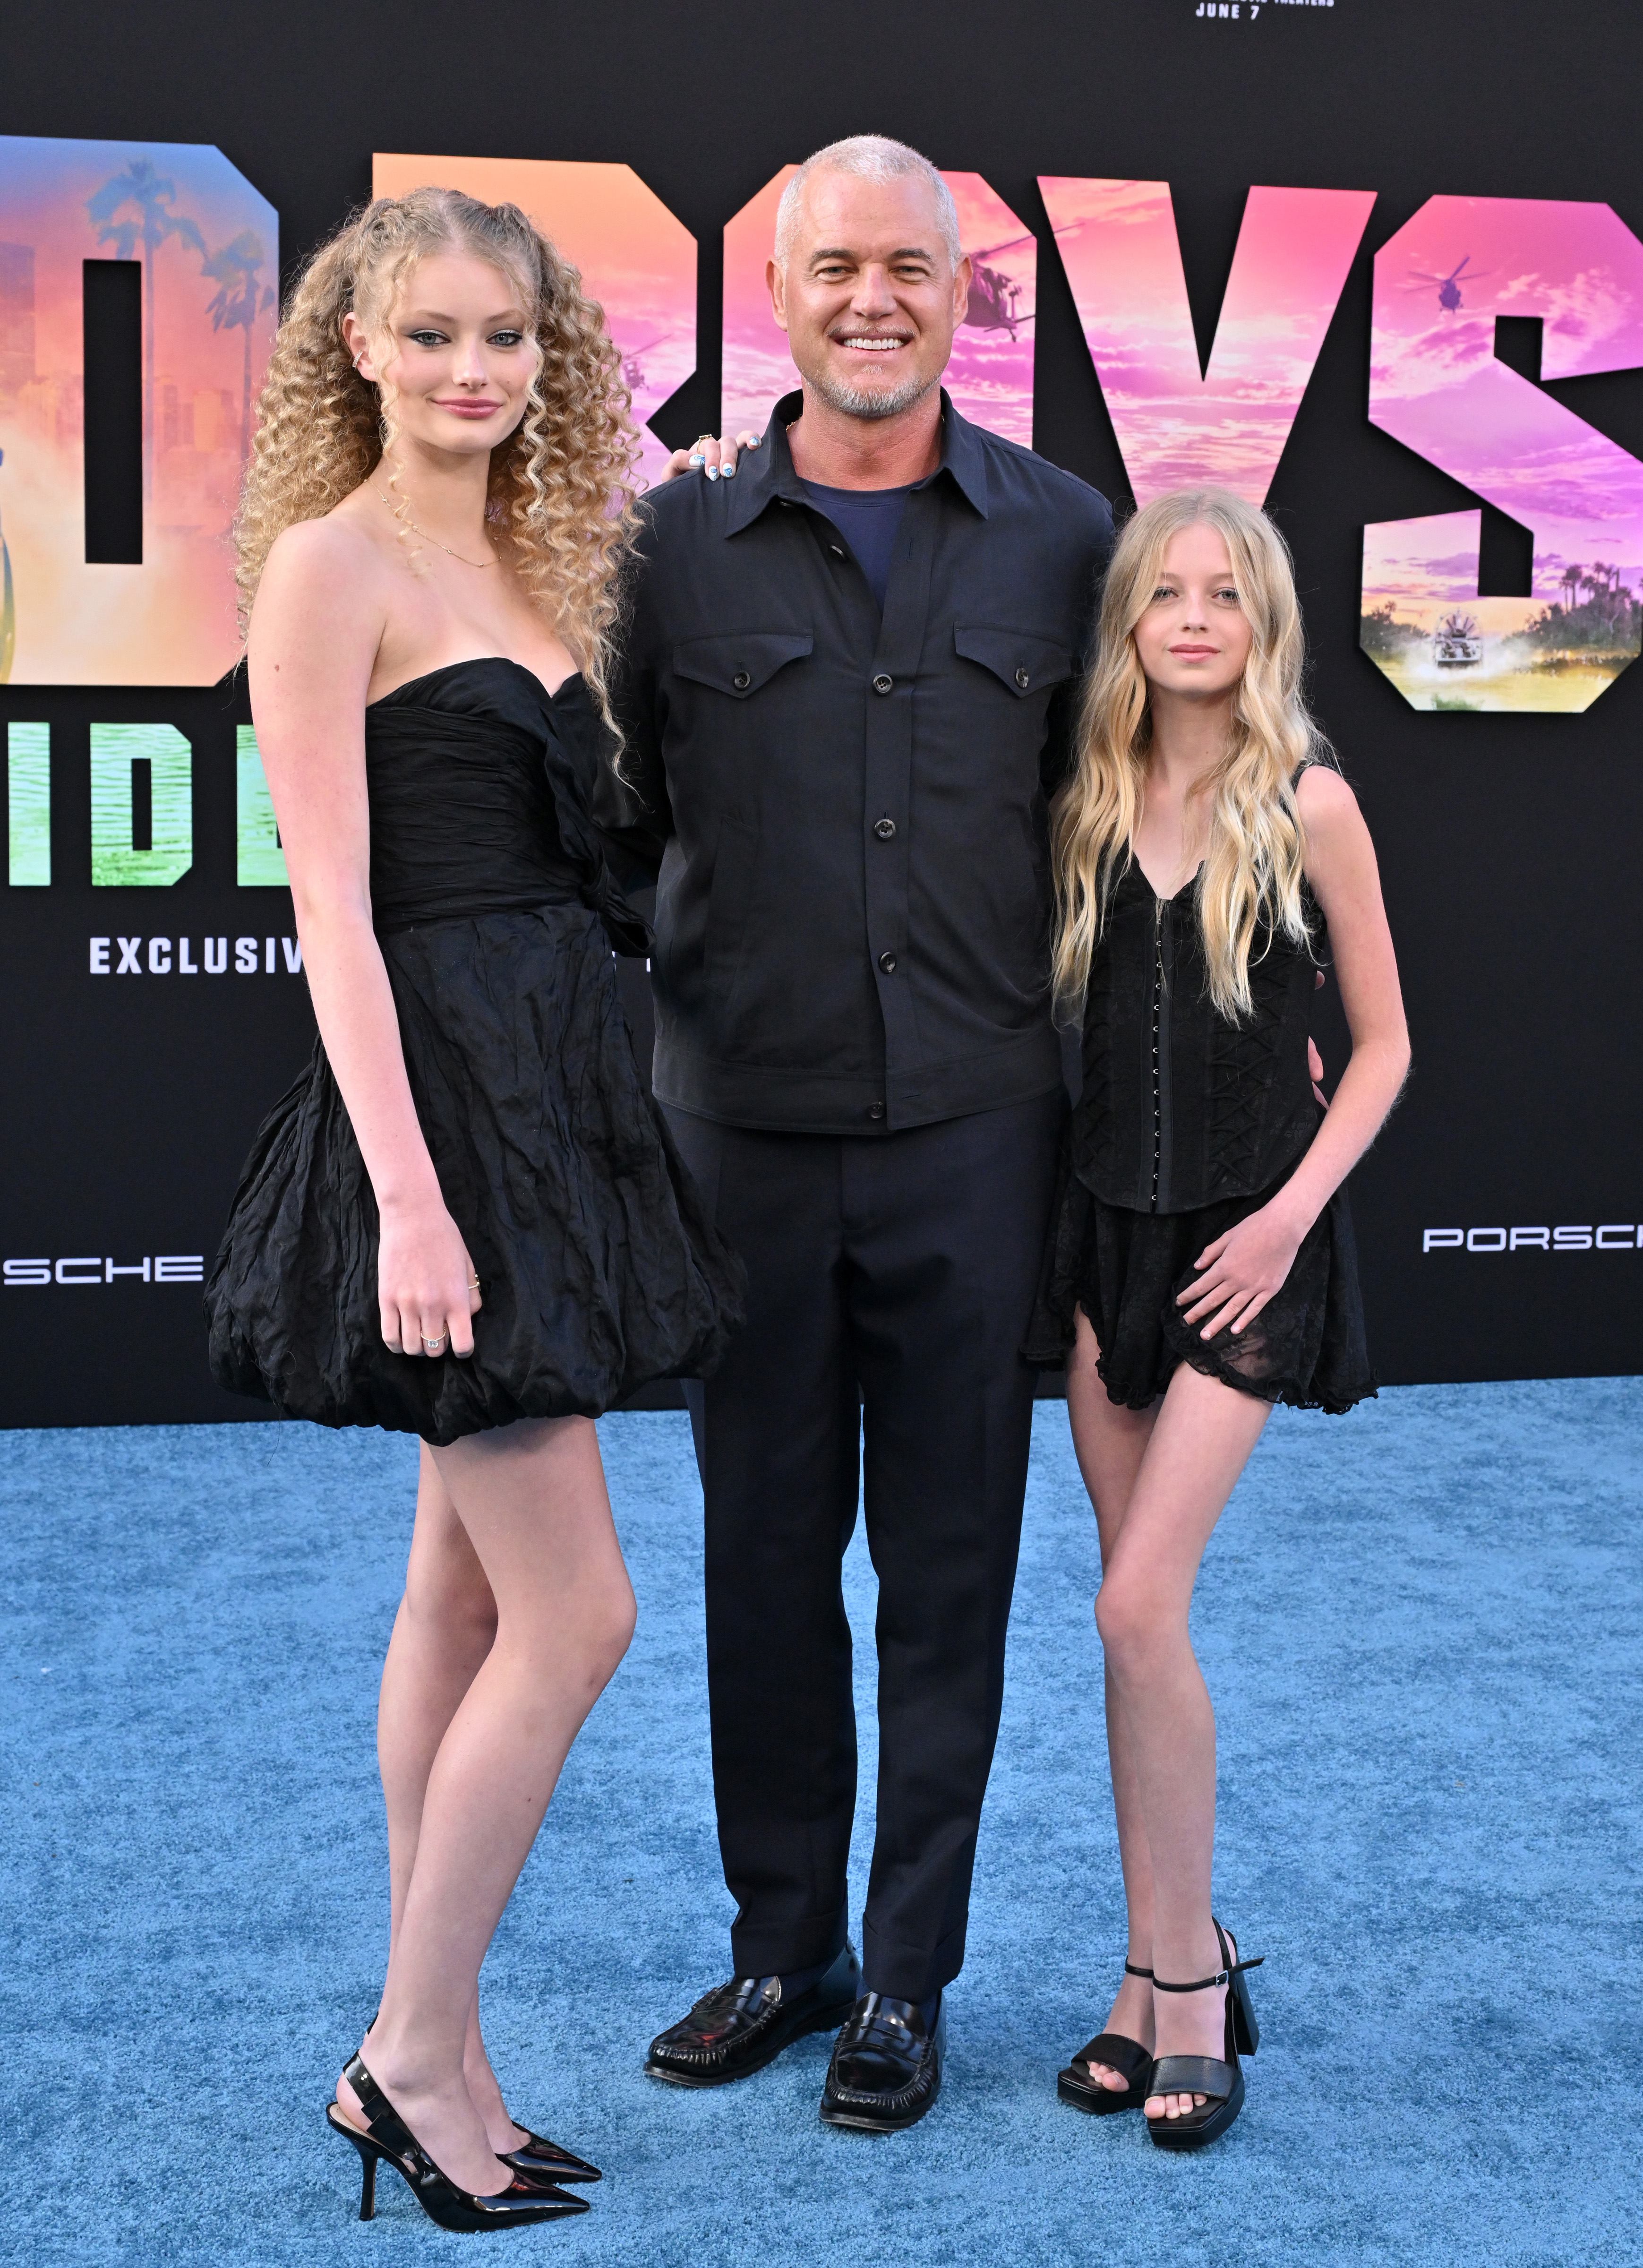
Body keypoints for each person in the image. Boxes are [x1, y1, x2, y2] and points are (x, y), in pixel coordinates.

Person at [205, 187, 742, 2230]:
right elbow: (329, 915)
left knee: (459, 1594)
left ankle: (445, 2040)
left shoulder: (543, 553)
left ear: (548, 359)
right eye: (429, 336)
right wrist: (416, 1206)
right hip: (446, 1111)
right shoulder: (328, 568)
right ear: (357, 344)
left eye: (504, 340)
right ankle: (407, 2056)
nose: (468, 373)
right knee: (578, 1609)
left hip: (569, 1077)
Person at [596, 135, 1116, 2132]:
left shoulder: (1067, 536)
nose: (870, 300)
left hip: (983, 1137)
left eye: (908, 266)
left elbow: (1110, 849)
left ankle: (905, 1979)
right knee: (757, 1558)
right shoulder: (673, 548)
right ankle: (777, 1948)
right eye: (833, 269)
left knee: (949, 1566)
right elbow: (627, 833)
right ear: (777, 290)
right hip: (743, 1137)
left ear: (962, 288)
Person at [1022, 487, 1412, 2148]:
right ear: (1125, 623)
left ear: (1263, 626)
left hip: (1247, 1246)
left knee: (1132, 1605)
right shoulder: (1084, 802)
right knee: (1133, 1621)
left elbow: (1385, 1046)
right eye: (1161, 594)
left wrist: (1282, 1223)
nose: (1191, 619)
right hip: (1103, 1235)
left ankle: (1187, 1985)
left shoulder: (1307, 801)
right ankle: (1155, 1969)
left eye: (1223, 596)